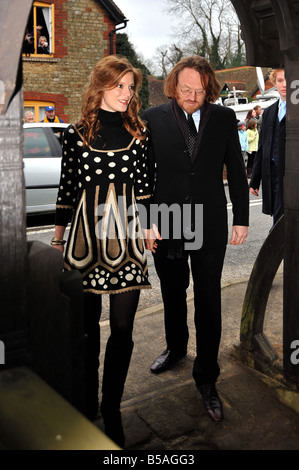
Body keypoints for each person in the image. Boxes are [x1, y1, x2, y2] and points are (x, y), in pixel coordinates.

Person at [51, 55, 153, 447]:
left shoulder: (140, 133)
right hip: (85, 241)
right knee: (87, 328)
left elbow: (146, 190)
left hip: (126, 239)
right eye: (120, 86)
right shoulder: (75, 135)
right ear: (100, 87)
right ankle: (88, 401)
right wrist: (58, 240)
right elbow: (66, 192)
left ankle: (112, 407)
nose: (127, 93)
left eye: (131, 87)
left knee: (123, 329)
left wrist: (151, 226)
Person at [143, 56, 249, 422]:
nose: (192, 96)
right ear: (174, 85)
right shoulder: (152, 118)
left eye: (199, 91)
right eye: (185, 89)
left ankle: (207, 377)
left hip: (210, 222)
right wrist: (144, 220)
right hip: (167, 221)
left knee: (208, 297)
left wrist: (242, 218)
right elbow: (141, 177)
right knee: (172, 291)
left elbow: (235, 167)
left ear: (210, 89)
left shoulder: (222, 119)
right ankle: (175, 348)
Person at [250, 68, 286, 226]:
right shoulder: (270, 112)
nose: (284, 84)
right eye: (280, 80)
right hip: (273, 173)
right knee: (278, 216)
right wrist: (255, 179)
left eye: (289, 80)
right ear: (274, 83)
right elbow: (262, 148)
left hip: (293, 173)